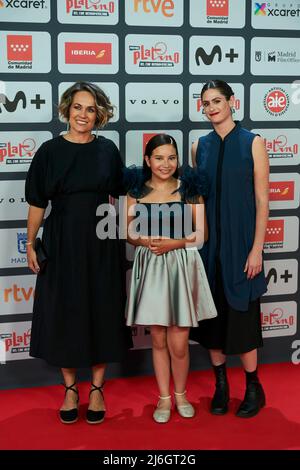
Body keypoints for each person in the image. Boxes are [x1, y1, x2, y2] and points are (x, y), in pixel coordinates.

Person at [25, 81, 132, 425]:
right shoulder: (49, 152)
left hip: (103, 239)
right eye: (77, 107)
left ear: (99, 114)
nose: (83, 114)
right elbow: (37, 203)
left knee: (102, 307)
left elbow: (122, 194)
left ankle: (97, 389)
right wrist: (30, 243)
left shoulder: (107, 149)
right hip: (62, 239)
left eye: (90, 109)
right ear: (67, 110)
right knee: (65, 310)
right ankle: (70, 388)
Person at [124, 134, 217, 423]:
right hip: (151, 267)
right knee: (159, 340)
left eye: (172, 157)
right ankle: (164, 399)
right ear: (148, 160)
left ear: (178, 160)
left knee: (179, 342)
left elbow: (202, 234)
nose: (166, 164)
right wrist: (144, 242)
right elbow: (127, 232)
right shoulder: (136, 190)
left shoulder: (189, 189)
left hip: (181, 266)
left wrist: (173, 244)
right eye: (160, 158)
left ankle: (181, 394)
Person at [191, 80, 269, 418]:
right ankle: (221, 385)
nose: (211, 108)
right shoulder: (200, 146)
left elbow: (263, 202)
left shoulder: (253, 143)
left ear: (232, 102)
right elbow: (198, 201)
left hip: (242, 248)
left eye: (217, 100)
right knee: (213, 324)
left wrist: (257, 249)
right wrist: (196, 245)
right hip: (210, 251)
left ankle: (253, 386)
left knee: (243, 321)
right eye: (206, 103)